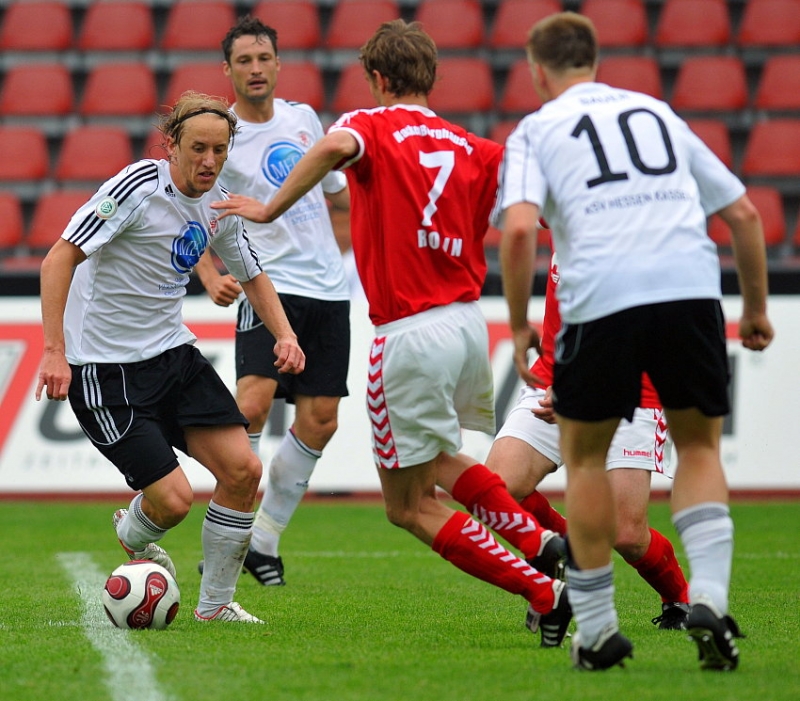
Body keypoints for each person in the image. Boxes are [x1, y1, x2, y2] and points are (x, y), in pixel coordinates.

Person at [211, 19, 573, 647]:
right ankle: (539, 541)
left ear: (377, 78)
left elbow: (331, 148)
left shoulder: (369, 125)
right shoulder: (477, 148)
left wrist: (269, 208)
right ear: (431, 75)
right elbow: (532, 218)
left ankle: (544, 590)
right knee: (434, 458)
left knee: (408, 505)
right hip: (468, 325)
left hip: (409, 329)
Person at [496, 12, 773, 670]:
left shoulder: (537, 129)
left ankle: (597, 631)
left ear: (537, 71)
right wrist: (757, 310)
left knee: (585, 462)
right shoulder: (658, 114)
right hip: (689, 290)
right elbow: (744, 213)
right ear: (595, 61)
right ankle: (709, 598)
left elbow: (518, 229)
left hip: (604, 298)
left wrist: (517, 321)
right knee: (700, 448)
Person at [35, 91, 305, 624]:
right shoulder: (138, 187)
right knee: (175, 502)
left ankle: (215, 606)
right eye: (199, 148)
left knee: (243, 470)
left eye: (220, 150)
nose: (209, 160)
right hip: (104, 371)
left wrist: (285, 335)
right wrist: (54, 351)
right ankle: (135, 531)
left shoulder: (219, 204)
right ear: (172, 145)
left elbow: (252, 274)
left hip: (173, 357)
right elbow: (59, 258)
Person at [193, 16, 352, 587]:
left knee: (321, 419)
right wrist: (208, 272)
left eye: (264, 58)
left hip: (328, 289)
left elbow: (339, 198)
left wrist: (340, 256)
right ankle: (230, 535)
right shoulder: (223, 135)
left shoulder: (304, 119)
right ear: (228, 70)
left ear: (278, 64)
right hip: (268, 284)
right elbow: (192, 206)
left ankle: (263, 541)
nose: (256, 69)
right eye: (244, 61)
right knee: (254, 403)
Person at [486, 243, 690, 633]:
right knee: (497, 487)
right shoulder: (562, 208)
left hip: (634, 388)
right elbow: (517, 223)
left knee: (625, 534)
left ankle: (680, 599)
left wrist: (576, 387)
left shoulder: (640, 232)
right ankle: (560, 548)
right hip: (555, 380)